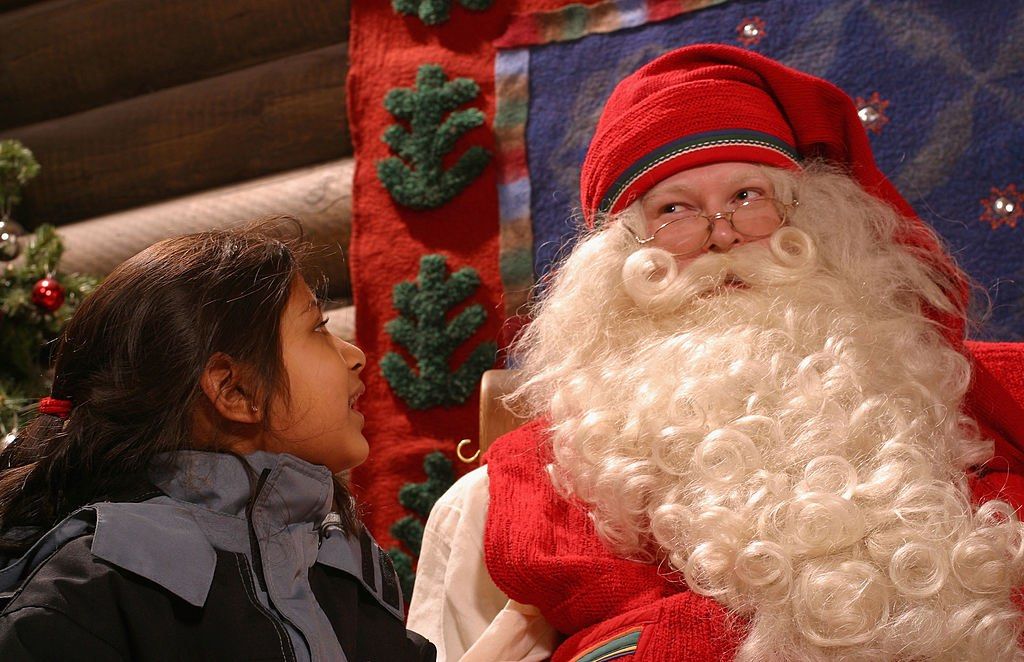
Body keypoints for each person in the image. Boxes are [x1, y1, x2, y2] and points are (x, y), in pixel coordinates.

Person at [407, 45, 1024, 660]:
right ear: (615, 267)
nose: (723, 235)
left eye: (749, 197)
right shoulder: (503, 502)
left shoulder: (980, 401)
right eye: (674, 210)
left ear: (811, 221)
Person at [0, 222, 436, 661]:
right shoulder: (90, 598)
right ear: (234, 391)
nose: (355, 355)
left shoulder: (346, 565)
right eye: (318, 327)